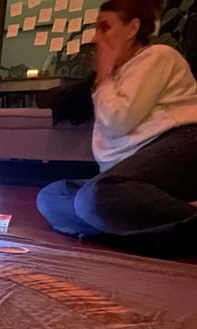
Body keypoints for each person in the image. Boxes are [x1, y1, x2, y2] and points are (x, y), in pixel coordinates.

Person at [36, 0, 197, 256]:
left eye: (104, 27)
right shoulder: (116, 77)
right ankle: (151, 235)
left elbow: (118, 124)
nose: (95, 37)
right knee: (50, 198)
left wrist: (104, 79)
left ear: (132, 28)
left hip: (180, 145)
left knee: (93, 199)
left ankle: (175, 224)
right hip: (126, 176)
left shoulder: (158, 56)